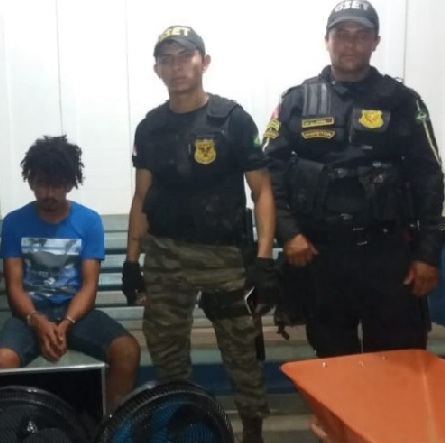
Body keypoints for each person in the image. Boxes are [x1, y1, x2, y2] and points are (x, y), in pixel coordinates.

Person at [263, 0, 445, 358]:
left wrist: (428, 254)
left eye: (361, 35)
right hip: (319, 253)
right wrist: (288, 234)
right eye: (341, 34)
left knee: (399, 362)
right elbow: (267, 175)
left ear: (375, 41)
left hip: (387, 254)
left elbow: (430, 178)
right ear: (327, 40)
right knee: (334, 364)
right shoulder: (297, 101)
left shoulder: (402, 101)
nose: (350, 43)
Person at [121, 26, 278, 443]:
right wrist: (132, 261)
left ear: (204, 62)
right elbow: (141, 197)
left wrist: (264, 259)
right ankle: (187, 424)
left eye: (185, 56)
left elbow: (262, 191)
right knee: (167, 350)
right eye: (166, 59)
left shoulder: (233, 119)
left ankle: (253, 429)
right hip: (165, 256)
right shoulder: (150, 127)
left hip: (224, 258)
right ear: (157, 69)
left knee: (241, 348)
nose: (176, 67)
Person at [0, 135, 141, 412]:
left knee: (127, 351)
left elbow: (89, 285)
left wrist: (66, 323)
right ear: (30, 182)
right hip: (29, 316)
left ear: (70, 183)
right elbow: (14, 286)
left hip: (78, 315)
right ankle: (21, 426)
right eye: (41, 184)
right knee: (0, 360)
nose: (49, 194)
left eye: (57, 185)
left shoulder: (88, 221)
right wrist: (37, 321)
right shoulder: (15, 222)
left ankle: (109, 426)